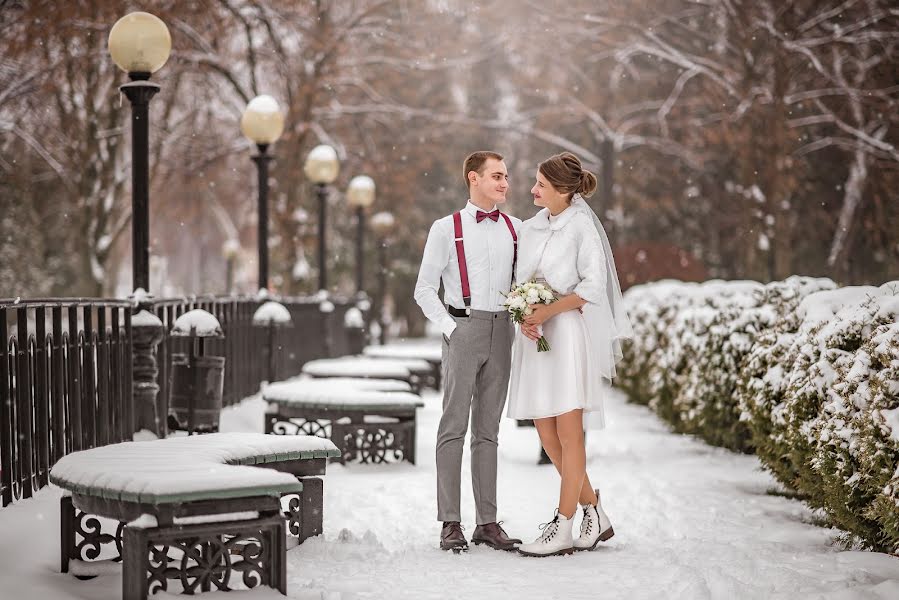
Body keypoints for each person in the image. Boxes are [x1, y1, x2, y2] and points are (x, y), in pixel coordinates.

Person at [507, 151, 633, 557]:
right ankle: (594, 511)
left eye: (540, 184)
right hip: (537, 337)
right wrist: (524, 314)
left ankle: (562, 525)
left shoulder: (582, 227)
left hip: (567, 336)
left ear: (562, 190)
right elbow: (519, 280)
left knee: (568, 430)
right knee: (545, 432)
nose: (532, 190)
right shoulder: (531, 227)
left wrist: (550, 309)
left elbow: (592, 288)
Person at [414, 151, 523, 553]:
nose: (504, 184)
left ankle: (487, 523)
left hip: (503, 331)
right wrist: (450, 328)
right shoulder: (446, 228)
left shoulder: (515, 228)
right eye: (497, 176)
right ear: (473, 178)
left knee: (488, 432)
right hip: (463, 328)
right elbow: (423, 288)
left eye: (507, 177)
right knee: (453, 426)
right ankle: (450, 522)